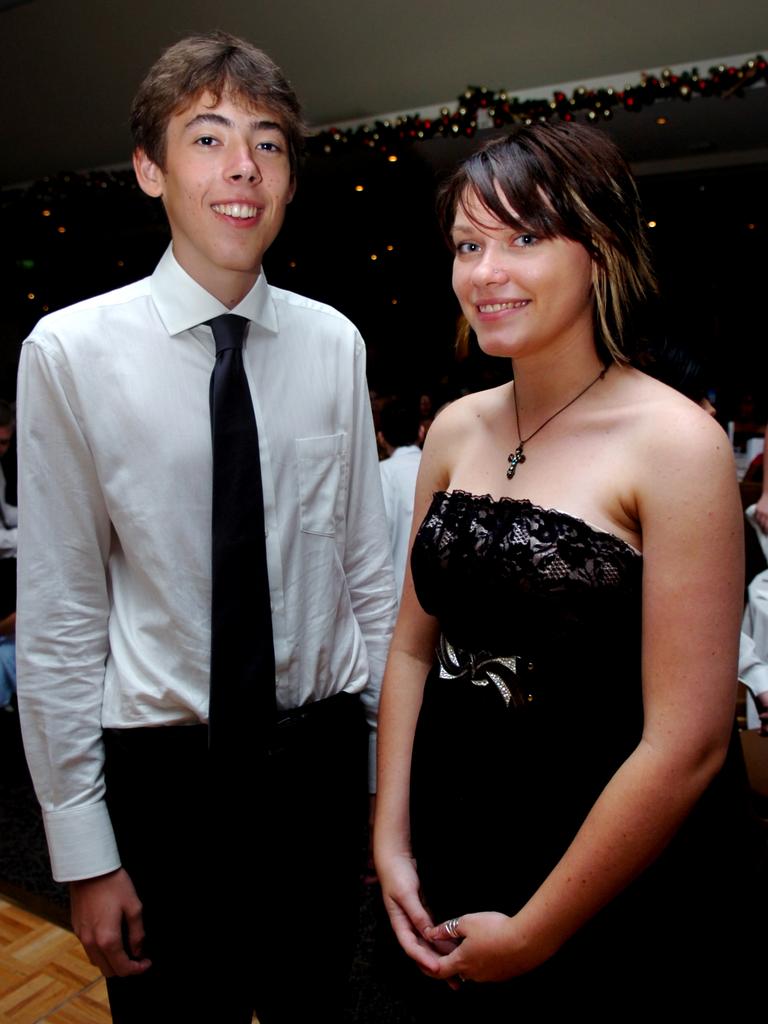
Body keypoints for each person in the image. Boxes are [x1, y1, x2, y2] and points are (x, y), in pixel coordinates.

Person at [17, 32, 396, 1024]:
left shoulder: (333, 343)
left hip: (315, 770)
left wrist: (380, 788)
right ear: (150, 169)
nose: (242, 168)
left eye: (268, 145)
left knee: (317, 1008)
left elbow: (370, 580)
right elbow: (60, 619)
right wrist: (85, 851)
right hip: (162, 782)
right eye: (209, 137)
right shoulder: (71, 352)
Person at [374, 122, 764, 1018]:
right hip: (455, 828)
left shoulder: (675, 442)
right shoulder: (456, 429)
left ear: (599, 254)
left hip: (608, 869)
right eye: (468, 245)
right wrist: (390, 835)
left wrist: (542, 928)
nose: (485, 271)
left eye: (523, 238)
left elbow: (689, 741)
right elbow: (408, 650)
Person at [377, 398, 423, 600]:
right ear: (421, 432)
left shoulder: (380, 473)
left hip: (394, 596)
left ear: (380, 438)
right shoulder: (439, 468)